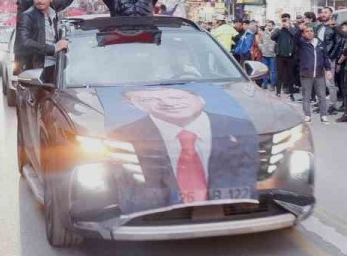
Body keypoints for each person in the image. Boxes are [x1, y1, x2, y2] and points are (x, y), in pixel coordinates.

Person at [109, 87, 257, 213]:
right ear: (136, 105)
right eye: (149, 99)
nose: (167, 103)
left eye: (176, 97)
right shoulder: (121, 137)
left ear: (201, 98)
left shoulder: (245, 128)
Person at [14, 0, 71, 73]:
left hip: (58, 67)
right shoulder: (27, 16)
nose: (39, 0)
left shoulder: (53, 12)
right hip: (38, 71)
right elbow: (24, 42)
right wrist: (53, 49)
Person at [295, 24, 331, 124]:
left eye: (311, 31)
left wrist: (328, 70)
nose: (309, 33)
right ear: (303, 34)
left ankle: (323, 115)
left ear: (314, 32)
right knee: (306, 96)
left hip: (319, 74)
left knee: (322, 95)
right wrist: (299, 29)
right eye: (307, 31)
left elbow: (325, 57)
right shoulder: (302, 43)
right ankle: (307, 115)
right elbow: (295, 39)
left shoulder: (320, 43)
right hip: (306, 74)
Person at [269, 14, 300, 99]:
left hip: (290, 55)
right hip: (280, 55)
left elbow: (296, 36)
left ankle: (291, 93)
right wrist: (279, 28)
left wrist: (289, 27)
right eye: (283, 20)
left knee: (290, 75)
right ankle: (278, 92)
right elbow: (272, 37)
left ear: (289, 20)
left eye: (286, 20)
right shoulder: (278, 29)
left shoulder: (293, 28)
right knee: (280, 74)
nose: (284, 21)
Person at [257, 21, 277, 88]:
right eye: (268, 25)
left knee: (273, 71)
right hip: (264, 54)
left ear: (273, 26)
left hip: (273, 55)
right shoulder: (264, 33)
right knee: (265, 70)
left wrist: (275, 48)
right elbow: (260, 42)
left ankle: (272, 85)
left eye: (270, 25)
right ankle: (264, 83)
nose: (269, 27)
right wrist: (262, 48)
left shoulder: (276, 33)